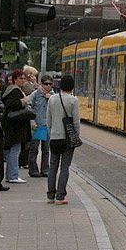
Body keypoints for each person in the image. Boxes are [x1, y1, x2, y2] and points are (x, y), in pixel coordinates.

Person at [47, 74, 80, 205]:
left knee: (52, 166)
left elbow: (48, 120)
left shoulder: (52, 99)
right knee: (64, 167)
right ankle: (60, 196)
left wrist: (51, 134)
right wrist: (75, 135)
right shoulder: (73, 100)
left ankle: (50, 195)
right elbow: (76, 122)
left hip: (54, 137)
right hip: (67, 139)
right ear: (72, 86)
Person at [1, 69, 31, 184]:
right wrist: (24, 101)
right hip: (15, 125)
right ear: (14, 80)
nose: (23, 80)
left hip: (12, 124)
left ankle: (11, 175)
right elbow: (12, 104)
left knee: (12, 150)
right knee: (15, 150)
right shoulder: (15, 91)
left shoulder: (11, 90)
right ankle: (13, 175)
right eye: (20, 78)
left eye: (24, 78)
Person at [27, 75, 53, 178]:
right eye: (46, 84)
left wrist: (50, 99)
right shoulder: (35, 94)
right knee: (34, 148)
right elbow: (29, 107)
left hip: (47, 125)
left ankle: (45, 170)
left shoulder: (53, 95)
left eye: (50, 84)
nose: (48, 86)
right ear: (42, 84)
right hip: (37, 125)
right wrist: (32, 120)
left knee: (46, 149)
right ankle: (33, 170)